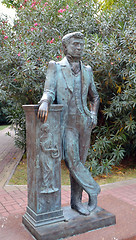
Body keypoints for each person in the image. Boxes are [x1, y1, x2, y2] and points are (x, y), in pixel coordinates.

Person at [38, 32, 100, 216]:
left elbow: (94, 96)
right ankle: (94, 189)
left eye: (81, 44)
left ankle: (76, 202)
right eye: (75, 44)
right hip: (66, 124)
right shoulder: (55, 67)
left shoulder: (87, 70)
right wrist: (44, 101)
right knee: (72, 161)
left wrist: (94, 115)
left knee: (80, 162)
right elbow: (48, 91)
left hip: (84, 123)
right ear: (65, 47)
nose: (79, 47)